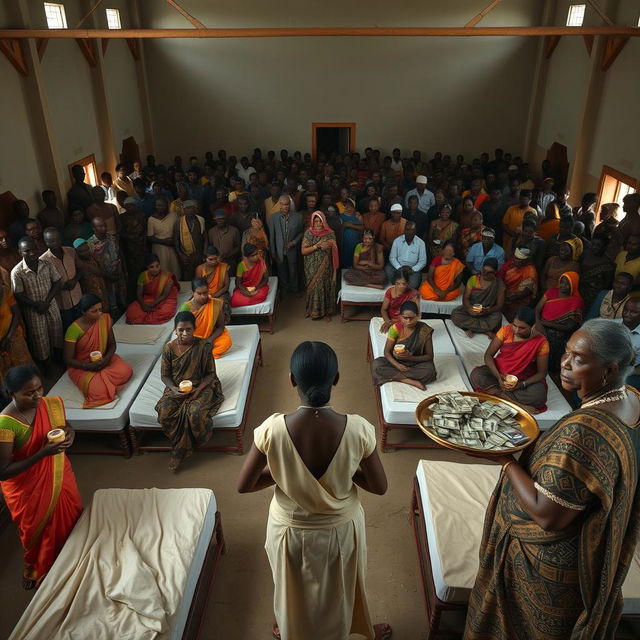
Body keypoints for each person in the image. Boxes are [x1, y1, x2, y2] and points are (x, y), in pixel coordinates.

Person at [464, 319, 640, 640]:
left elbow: (547, 515)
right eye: (567, 353)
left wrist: (504, 458)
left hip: (545, 568)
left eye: (579, 359)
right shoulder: (631, 398)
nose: (565, 363)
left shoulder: (585, 430)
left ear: (611, 369)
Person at [237, 341, 390, 640]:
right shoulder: (358, 429)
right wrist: (346, 467)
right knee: (340, 588)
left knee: (291, 586)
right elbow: (380, 487)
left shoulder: (272, 428)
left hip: (288, 530)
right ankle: (347, 629)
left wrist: (286, 472)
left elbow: (244, 485)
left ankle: (291, 627)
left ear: (292, 380)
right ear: (336, 379)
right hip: (341, 529)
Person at [0, 365, 82, 589]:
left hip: (58, 471)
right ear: (11, 394)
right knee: (37, 529)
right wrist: (42, 454)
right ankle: (35, 567)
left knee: (70, 514)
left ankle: (72, 556)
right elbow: (4, 470)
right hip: (28, 489)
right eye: (29, 393)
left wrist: (70, 434)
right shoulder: (5, 424)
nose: (37, 396)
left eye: (39, 389)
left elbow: (65, 426)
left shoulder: (51, 404)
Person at [155, 311, 224, 472]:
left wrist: (198, 390)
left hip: (203, 386)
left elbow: (210, 374)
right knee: (164, 411)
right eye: (181, 330)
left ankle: (178, 452)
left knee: (194, 413)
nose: (184, 333)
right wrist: (173, 388)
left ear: (194, 329)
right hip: (177, 388)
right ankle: (182, 446)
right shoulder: (168, 348)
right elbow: (165, 375)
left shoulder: (204, 346)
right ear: (175, 330)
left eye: (188, 329)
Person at [470, 306, 549, 414]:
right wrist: (498, 377)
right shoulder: (506, 330)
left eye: (522, 328)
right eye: (514, 325)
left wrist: (522, 384)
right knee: (477, 374)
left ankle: (497, 394)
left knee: (539, 397)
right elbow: (488, 355)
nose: (516, 330)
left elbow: (542, 373)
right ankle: (517, 404)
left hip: (524, 377)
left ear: (532, 326)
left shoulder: (541, 342)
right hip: (499, 372)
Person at [64, 294, 133, 408]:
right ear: (83, 312)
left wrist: (105, 360)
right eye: (94, 311)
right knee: (99, 391)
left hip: (104, 359)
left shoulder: (105, 319)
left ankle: (104, 378)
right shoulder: (73, 329)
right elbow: (67, 359)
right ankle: (103, 381)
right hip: (81, 366)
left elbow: (112, 345)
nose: (99, 313)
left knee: (126, 371)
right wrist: (86, 366)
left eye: (100, 309)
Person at [11, 237, 63, 370]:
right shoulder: (17, 272)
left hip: (51, 306)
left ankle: (59, 361)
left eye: (33, 249)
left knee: (57, 334)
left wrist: (46, 302)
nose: (32, 253)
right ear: (20, 252)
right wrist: (36, 305)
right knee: (40, 342)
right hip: (34, 312)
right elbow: (18, 294)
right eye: (27, 251)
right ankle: (48, 368)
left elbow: (57, 282)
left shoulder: (47, 263)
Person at [372, 301, 436, 390]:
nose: (408, 321)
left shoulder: (425, 330)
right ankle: (407, 380)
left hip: (417, 362)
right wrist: (398, 365)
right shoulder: (395, 329)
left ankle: (396, 377)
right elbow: (387, 352)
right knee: (377, 364)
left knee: (430, 371)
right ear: (400, 317)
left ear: (418, 316)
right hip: (397, 362)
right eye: (405, 318)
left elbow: (429, 356)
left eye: (412, 318)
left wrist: (410, 358)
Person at [535, 271, 584, 371]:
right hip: (541, 324)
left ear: (573, 285)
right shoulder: (551, 291)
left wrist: (546, 324)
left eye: (567, 284)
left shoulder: (576, 301)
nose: (563, 286)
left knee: (552, 342)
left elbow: (569, 327)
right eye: (562, 282)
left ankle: (548, 369)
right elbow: (537, 309)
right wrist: (538, 324)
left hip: (558, 331)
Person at [451, 257, 505, 339]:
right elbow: (465, 298)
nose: (485, 274)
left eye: (489, 273)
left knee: (497, 317)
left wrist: (487, 311)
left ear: (495, 272)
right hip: (472, 309)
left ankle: (471, 328)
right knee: (455, 314)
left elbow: (499, 305)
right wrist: (469, 308)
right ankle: (486, 331)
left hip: (487, 312)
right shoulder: (474, 279)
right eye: (484, 271)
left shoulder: (499, 284)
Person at [40, 227, 82, 330]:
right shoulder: (43, 260)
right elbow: (45, 285)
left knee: (83, 326)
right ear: (46, 242)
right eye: (52, 241)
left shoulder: (71, 251)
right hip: (62, 303)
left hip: (78, 297)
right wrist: (61, 287)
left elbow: (81, 268)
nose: (56, 243)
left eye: (58, 240)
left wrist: (75, 280)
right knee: (69, 329)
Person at [180, 278, 232, 358]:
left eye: (205, 293)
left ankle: (201, 355)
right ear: (193, 293)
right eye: (199, 293)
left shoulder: (215, 304)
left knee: (226, 342)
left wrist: (209, 340)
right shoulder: (186, 307)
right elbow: (182, 330)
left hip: (209, 337)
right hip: (193, 338)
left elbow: (220, 327)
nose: (203, 296)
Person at [301, 211, 338, 321]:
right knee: (314, 287)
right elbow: (303, 251)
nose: (318, 224)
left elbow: (334, 246)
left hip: (326, 266)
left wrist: (329, 245)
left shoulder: (330, 233)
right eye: (315, 221)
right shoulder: (308, 233)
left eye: (320, 221)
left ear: (324, 222)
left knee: (325, 286)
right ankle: (311, 310)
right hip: (311, 266)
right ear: (312, 222)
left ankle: (326, 312)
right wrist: (317, 246)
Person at [125, 254, 179, 324]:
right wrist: (143, 305)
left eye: (157, 266)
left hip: (164, 299)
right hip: (148, 298)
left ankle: (144, 319)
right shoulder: (143, 276)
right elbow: (139, 295)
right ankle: (148, 317)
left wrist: (151, 305)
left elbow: (164, 295)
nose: (155, 269)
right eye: (151, 267)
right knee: (131, 311)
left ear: (160, 265)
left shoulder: (167, 276)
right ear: (147, 267)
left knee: (166, 312)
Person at [87, 216, 126, 312]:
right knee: (109, 297)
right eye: (100, 226)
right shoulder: (90, 244)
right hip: (105, 275)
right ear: (93, 228)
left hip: (118, 271)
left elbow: (119, 252)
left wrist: (124, 269)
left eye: (104, 225)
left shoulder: (111, 237)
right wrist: (106, 275)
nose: (103, 228)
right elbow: (93, 264)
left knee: (122, 295)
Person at [268, 195, 304, 295]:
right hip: (279, 251)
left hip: (292, 250)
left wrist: (294, 242)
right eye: (283, 204)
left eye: (287, 204)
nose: (285, 207)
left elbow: (301, 233)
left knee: (293, 271)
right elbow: (272, 236)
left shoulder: (298, 217)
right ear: (279, 205)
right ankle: (284, 291)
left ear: (290, 204)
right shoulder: (273, 218)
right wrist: (273, 251)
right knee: (281, 272)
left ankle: (295, 290)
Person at [0, 280, 32, 378]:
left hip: (13, 336)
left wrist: (9, 337)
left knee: (24, 370)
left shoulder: (5, 291)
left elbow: (16, 313)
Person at [119, 198, 147, 302]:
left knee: (143, 271)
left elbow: (145, 231)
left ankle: (145, 293)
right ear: (125, 206)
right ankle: (133, 297)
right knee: (131, 274)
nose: (130, 207)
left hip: (140, 248)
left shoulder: (142, 215)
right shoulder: (121, 217)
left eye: (132, 205)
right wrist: (130, 238)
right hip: (128, 250)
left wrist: (143, 244)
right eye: (128, 205)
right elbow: (120, 233)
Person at [499, 247, 539, 320]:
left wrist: (513, 298)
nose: (516, 261)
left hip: (519, 301)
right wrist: (503, 294)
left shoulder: (530, 271)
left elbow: (527, 291)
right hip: (505, 295)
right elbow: (500, 278)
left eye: (520, 260)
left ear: (526, 261)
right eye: (515, 258)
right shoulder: (509, 264)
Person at [386, 221, 426, 289]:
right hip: (398, 266)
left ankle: (402, 286)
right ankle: (395, 285)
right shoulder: (397, 241)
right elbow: (392, 257)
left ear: (415, 231)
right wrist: (399, 267)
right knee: (388, 270)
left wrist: (413, 269)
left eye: (412, 230)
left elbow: (422, 261)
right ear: (404, 230)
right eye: (407, 229)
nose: (409, 232)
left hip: (412, 268)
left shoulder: (421, 243)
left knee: (413, 285)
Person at [146, 195, 181, 276]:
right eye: (157, 205)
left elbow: (179, 230)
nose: (159, 207)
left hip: (173, 247)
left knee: (174, 269)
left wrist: (174, 241)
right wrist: (164, 241)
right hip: (159, 249)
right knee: (162, 270)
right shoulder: (151, 219)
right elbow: (150, 237)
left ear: (167, 206)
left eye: (162, 205)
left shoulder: (174, 215)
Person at [578, 234, 615, 309]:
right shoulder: (585, 255)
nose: (594, 247)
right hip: (579, 292)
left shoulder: (607, 263)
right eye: (593, 244)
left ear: (605, 247)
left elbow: (607, 284)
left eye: (598, 245)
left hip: (594, 297)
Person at [73, 238, 110, 312]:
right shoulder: (76, 264)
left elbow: (102, 272)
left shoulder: (93, 257)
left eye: (87, 249)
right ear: (76, 252)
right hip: (90, 296)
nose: (86, 253)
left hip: (101, 289)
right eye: (82, 251)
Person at [174, 200, 206, 281]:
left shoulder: (200, 220)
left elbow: (205, 238)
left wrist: (205, 253)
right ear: (184, 210)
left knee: (200, 276)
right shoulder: (179, 222)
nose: (190, 210)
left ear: (195, 209)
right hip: (186, 255)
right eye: (187, 208)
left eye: (192, 208)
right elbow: (176, 240)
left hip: (199, 254)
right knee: (187, 277)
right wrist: (181, 255)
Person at [502, 190, 537, 258]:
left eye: (524, 200)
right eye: (520, 199)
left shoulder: (533, 212)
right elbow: (504, 224)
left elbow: (533, 229)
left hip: (523, 245)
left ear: (530, 200)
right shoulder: (511, 209)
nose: (521, 201)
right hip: (508, 241)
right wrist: (512, 234)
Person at [338, 198, 364, 268]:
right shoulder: (340, 217)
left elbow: (362, 229)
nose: (349, 208)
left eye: (351, 206)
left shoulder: (358, 216)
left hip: (356, 243)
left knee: (355, 260)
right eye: (347, 205)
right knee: (345, 261)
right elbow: (339, 230)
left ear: (354, 207)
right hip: (344, 244)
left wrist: (350, 225)